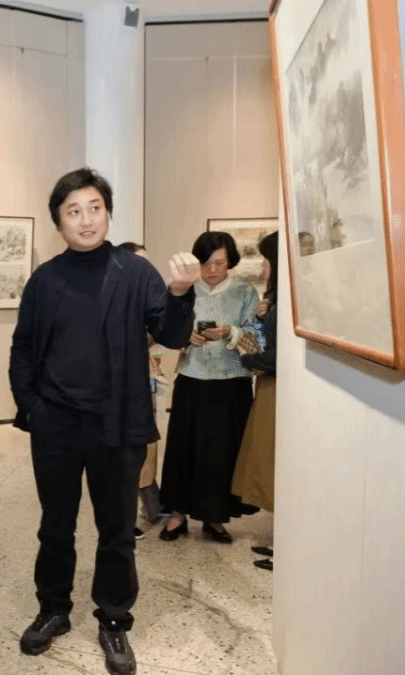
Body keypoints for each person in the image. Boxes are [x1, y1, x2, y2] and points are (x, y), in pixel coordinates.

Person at [11, 168, 200, 675]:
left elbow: (171, 334)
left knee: (116, 529)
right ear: (59, 222)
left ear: (107, 213)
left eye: (94, 207)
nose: (86, 219)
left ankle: (114, 619)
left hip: (117, 424)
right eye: (73, 211)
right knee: (55, 526)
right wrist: (31, 406)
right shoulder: (45, 279)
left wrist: (180, 292)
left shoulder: (134, 272)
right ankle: (53, 609)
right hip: (56, 424)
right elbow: (23, 346)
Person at [158, 231, 260, 545]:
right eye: (206, 263)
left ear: (231, 262)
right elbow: (164, 330)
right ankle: (177, 514)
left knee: (221, 452)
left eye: (220, 263)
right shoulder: (185, 290)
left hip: (231, 382)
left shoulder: (245, 292)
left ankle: (215, 517)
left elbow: (256, 342)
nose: (213, 270)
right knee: (183, 448)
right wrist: (185, 335)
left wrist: (229, 332)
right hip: (192, 377)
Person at [233, 232, 278, 571]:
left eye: (267, 260)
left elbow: (275, 357)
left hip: (276, 386)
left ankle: (281, 544)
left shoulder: (284, 301)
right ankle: (277, 539)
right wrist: (263, 319)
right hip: (270, 386)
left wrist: (245, 356)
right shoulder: (276, 300)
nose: (263, 267)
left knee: (272, 462)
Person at [116, 242, 166, 538]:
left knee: (146, 447)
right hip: (117, 388)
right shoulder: (111, 298)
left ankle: (152, 505)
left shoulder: (147, 296)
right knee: (124, 455)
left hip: (144, 381)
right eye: (140, 262)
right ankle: (125, 519)